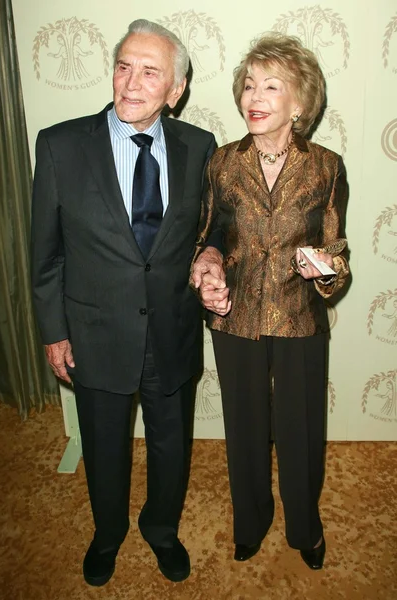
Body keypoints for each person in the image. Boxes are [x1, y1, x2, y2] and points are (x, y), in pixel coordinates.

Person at [31, 19, 217, 586]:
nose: (131, 83)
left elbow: (210, 229)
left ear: (175, 90)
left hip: (171, 330)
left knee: (170, 445)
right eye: (123, 66)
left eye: (150, 72)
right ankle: (107, 534)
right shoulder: (61, 144)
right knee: (106, 447)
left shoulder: (199, 147)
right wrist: (53, 330)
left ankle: (161, 530)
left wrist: (212, 256)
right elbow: (45, 254)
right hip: (94, 332)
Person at [192, 32, 349, 570]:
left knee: (303, 428)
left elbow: (337, 250)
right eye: (249, 85)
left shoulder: (327, 167)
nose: (253, 96)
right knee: (245, 426)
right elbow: (208, 236)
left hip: (301, 316)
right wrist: (207, 266)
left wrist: (324, 269)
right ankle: (250, 521)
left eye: (271, 86)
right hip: (234, 316)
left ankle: (305, 527)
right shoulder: (222, 163)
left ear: (299, 104)